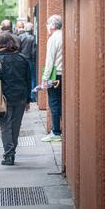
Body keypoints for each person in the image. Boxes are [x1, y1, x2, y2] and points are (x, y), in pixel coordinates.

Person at [0, 32, 31, 166]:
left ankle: (8, 156)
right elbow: (28, 80)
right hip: (21, 97)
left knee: (5, 126)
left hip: (4, 98)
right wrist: (28, 100)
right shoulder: (22, 58)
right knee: (15, 126)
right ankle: (12, 153)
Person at [41, 15, 63, 143]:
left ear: (53, 26)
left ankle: (56, 132)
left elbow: (50, 61)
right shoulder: (65, 35)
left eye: (48, 24)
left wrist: (45, 78)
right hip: (65, 73)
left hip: (55, 74)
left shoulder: (53, 39)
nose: (47, 27)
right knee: (61, 102)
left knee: (54, 102)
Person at [19, 22, 37, 101]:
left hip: (21, 59)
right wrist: (33, 60)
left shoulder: (20, 37)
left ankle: (22, 95)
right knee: (32, 78)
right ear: (32, 29)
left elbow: (18, 48)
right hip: (29, 60)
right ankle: (32, 96)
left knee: (22, 77)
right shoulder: (33, 38)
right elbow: (33, 51)